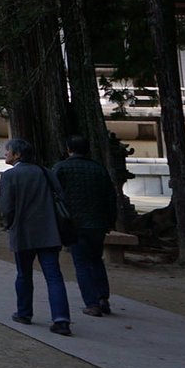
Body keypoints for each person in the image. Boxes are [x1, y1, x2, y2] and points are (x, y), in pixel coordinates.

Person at [0, 137, 73, 336]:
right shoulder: (45, 172)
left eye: (8, 150)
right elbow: (61, 197)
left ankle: (24, 312)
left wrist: (8, 224)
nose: (5, 154)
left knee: (24, 273)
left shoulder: (9, 176)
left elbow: (6, 207)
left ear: (17, 155)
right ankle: (61, 319)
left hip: (23, 231)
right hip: (49, 230)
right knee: (54, 276)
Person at [53, 135, 115, 317]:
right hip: (97, 222)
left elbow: (54, 195)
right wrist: (110, 220)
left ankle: (91, 303)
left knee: (81, 263)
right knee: (96, 259)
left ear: (68, 149)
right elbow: (110, 197)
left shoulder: (61, 168)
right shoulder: (98, 168)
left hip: (74, 223)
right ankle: (103, 297)